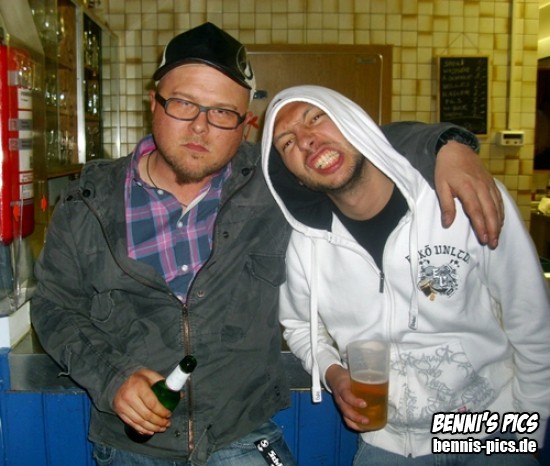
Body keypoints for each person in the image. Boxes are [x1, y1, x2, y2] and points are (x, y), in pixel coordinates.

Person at [31, 23, 504, 466]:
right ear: (153, 103)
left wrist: (446, 144)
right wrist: (111, 377)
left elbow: (357, 145)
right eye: (184, 104)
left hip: (240, 435)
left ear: (246, 124)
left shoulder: (274, 184)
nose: (200, 127)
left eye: (222, 113)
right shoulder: (87, 202)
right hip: (130, 446)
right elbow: (54, 308)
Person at [260, 84, 550, 465]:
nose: (306, 140)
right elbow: (300, 326)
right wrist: (332, 373)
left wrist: (527, 431)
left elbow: (531, 319)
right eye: (287, 143)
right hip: (391, 443)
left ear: (354, 123)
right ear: (294, 176)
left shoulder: (465, 198)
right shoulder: (305, 242)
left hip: (490, 431)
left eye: (316, 118)